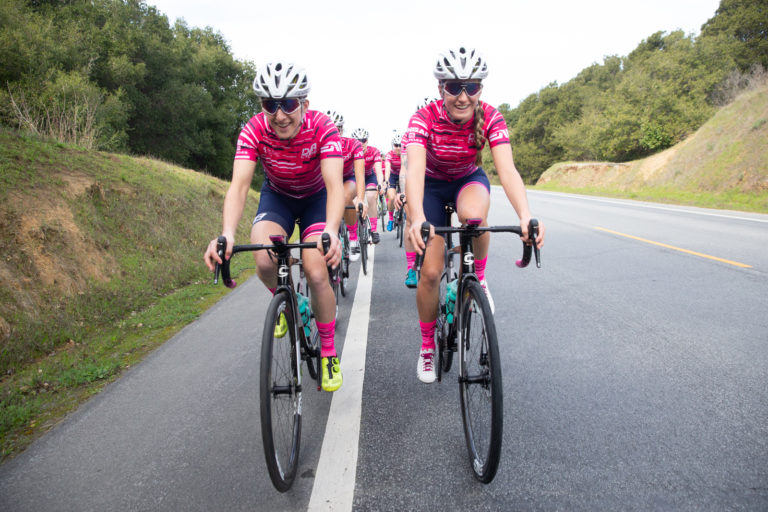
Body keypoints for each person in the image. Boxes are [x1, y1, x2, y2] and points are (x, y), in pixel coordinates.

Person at [405, 47, 546, 384]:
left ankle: (478, 278)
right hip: (432, 187)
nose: (463, 96)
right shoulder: (422, 118)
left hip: (468, 179)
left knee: (474, 217)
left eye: (471, 87)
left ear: (480, 88)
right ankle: (427, 347)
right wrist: (417, 217)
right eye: (454, 87)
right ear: (441, 88)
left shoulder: (492, 116)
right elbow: (414, 172)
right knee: (430, 272)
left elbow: (507, 170)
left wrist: (525, 214)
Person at [204, 62, 345, 392]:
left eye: (288, 104)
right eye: (270, 105)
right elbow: (239, 186)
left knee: (316, 272)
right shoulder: (254, 129)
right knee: (264, 260)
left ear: (304, 104)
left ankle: (328, 352)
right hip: (278, 196)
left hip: (316, 198)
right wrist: (227, 233)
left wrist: (332, 229)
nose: (279, 115)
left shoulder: (323, 127)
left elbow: (335, 185)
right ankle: (293, 303)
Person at [326, 110, 367, 262]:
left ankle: (353, 237)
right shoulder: (317, 145)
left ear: (342, 130)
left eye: (336, 129)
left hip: (348, 178)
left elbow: (360, 174)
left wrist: (361, 199)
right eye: (328, 129)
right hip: (329, 179)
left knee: (344, 196)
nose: (332, 133)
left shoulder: (353, 144)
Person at [351, 128, 382, 244]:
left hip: (369, 177)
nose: (361, 143)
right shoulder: (350, 151)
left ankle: (373, 230)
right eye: (358, 141)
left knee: (370, 196)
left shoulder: (374, 151)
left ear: (367, 141)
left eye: (363, 140)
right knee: (353, 202)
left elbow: (379, 171)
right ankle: (353, 232)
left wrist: (380, 183)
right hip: (354, 177)